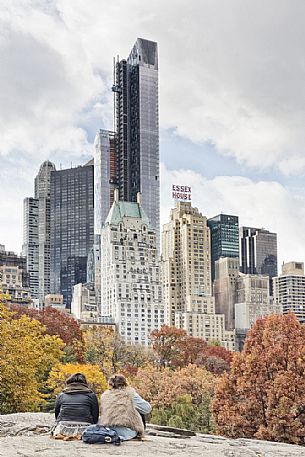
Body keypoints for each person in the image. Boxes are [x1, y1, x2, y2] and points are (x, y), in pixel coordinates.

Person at [99, 373, 151, 441]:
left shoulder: (105, 396)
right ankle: (139, 433)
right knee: (139, 408)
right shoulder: (130, 394)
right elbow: (147, 409)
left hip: (108, 430)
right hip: (128, 432)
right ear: (125, 383)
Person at [51, 372, 99, 440]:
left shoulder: (61, 395)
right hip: (85, 428)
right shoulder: (91, 395)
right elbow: (95, 416)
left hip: (63, 428)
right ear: (85, 383)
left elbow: (57, 414)